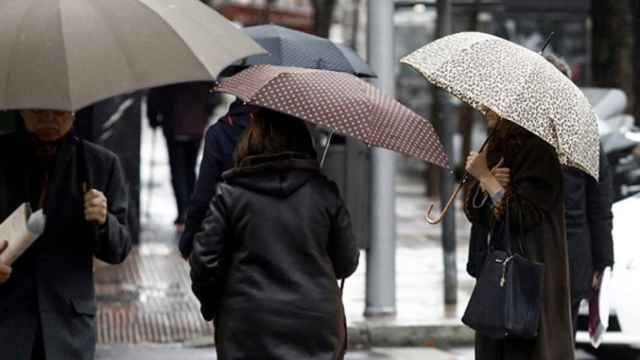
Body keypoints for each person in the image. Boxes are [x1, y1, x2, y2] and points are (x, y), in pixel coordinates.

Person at [189, 108, 359, 360]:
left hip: (246, 324)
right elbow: (346, 263)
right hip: (316, 325)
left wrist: (215, 306)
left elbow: (205, 263)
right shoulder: (323, 192)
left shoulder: (230, 194)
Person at [0, 110, 132, 360]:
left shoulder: (99, 163)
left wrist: (104, 221)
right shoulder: (4, 157)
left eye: (58, 110)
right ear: (22, 110)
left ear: (73, 112)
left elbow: (120, 249)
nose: (48, 117)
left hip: (68, 326)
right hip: (7, 321)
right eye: (39, 108)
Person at [464, 109, 575, 360]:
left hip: (529, 272)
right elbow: (479, 215)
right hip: (498, 271)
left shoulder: (539, 151)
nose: (485, 109)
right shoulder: (495, 147)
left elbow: (524, 216)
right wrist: (483, 183)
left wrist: (486, 179)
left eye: (492, 105)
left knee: (525, 347)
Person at [543, 53, 615, 331]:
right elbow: (599, 207)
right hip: (567, 261)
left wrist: (603, 262)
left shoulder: (523, 138)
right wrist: (602, 262)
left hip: (562, 261)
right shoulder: (582, 135)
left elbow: (599, 207)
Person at [178, 99, 256, 258]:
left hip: (232, 239)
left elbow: (204, 194)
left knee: (179, 170)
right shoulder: (292, 132)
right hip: (285, 250)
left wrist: (189, 240)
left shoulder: (221, 132)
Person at [147, 82, 214, 231]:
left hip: (174, 125)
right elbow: (213, 98)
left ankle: (183, 211)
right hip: (196, 125)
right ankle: (192, 211)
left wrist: (153, 118)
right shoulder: (202, 73)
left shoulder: (169, 71)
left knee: (177, 171)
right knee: (190, 169)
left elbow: (154, 95)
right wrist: (204, 115)